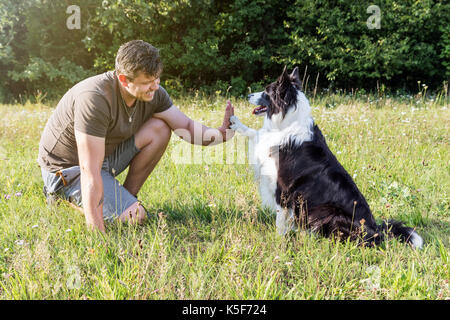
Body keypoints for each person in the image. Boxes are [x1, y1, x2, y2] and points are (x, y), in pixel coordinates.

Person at [38, 40, 235, 233]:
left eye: (157, 79)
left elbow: (186, 127)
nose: (155, 86)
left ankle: (126, 199)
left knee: (160, 128)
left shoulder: (154, 93)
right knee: (136, 217)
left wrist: (221, 134)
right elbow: (89, 169)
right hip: (68, 171)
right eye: (148, 82)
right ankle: (64, 197)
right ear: (124, 79)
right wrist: (97, 237)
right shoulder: (94, 98)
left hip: (105, 158)